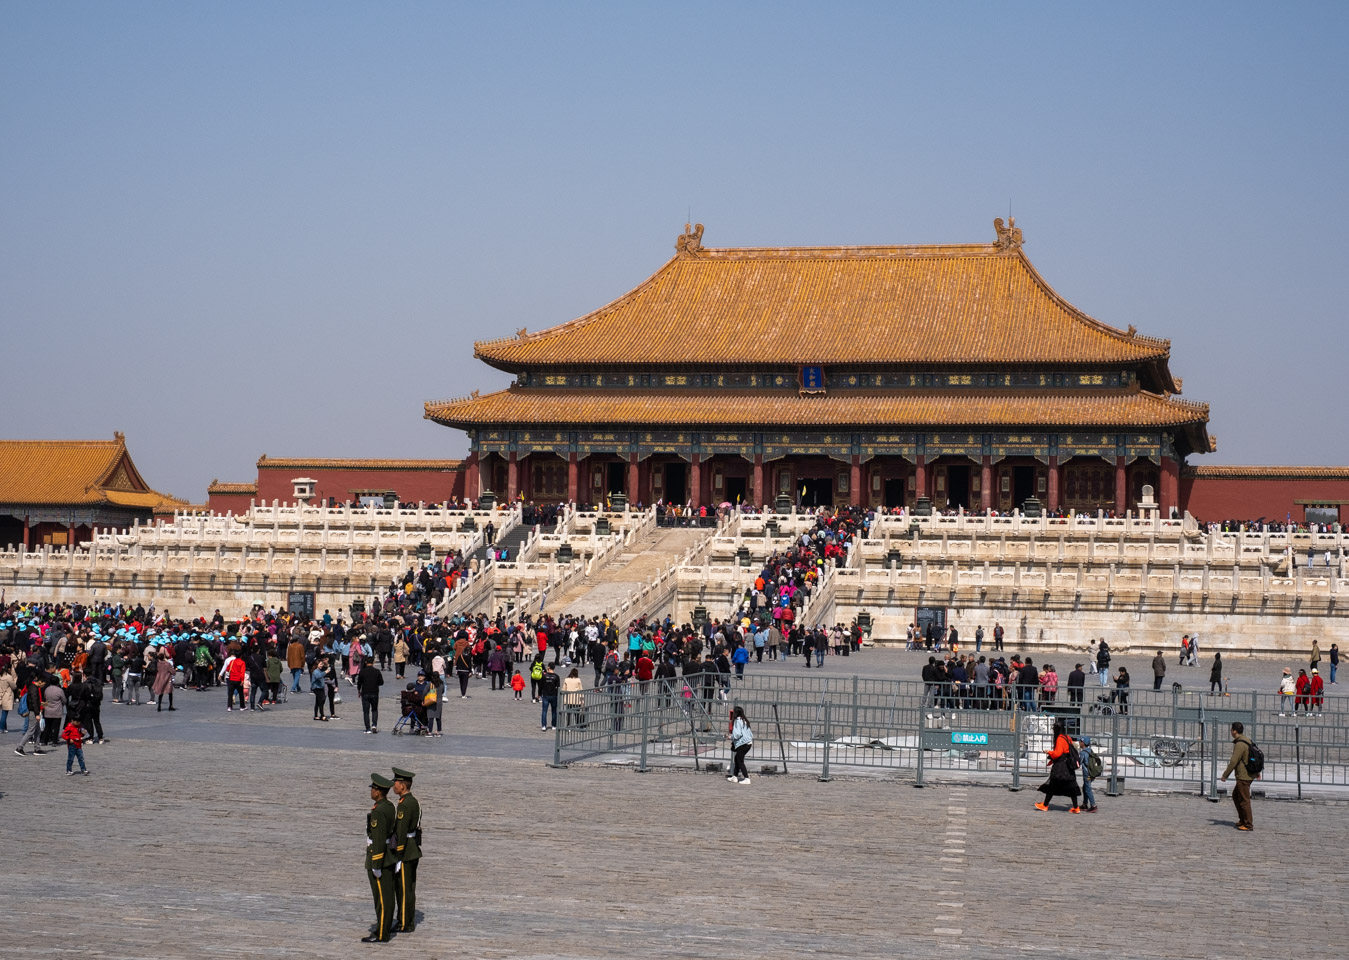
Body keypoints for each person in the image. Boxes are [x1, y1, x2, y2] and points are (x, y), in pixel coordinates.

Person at [363, 773, 398, 942]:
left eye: (373, 789)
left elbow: (377, 839)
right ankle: (385, 928)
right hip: (389, 857)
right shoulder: (390, 806)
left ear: (378, 792)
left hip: (380, 859)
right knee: (388, 896)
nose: (371, 792)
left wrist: (375, 863)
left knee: (382, 899)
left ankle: (381, 933)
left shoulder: (378, 812)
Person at [390, 767, 422, 933]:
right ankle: (407, 919)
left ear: (402, 786)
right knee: (409, 887)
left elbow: (401, 831)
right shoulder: (413, 801)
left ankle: (404, 922)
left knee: (403, 888)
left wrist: (398, 853)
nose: (393, 786)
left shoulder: (404, 805)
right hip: (413, 849)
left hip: (406, 851)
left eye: (395, 783)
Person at [1034, 718, 1081, 813]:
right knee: (1071, 786)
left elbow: (1057, 753)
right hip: (1068, 766)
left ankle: (1045, 805)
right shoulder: (1067, 737)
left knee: (1052, 785)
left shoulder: (1059, 738)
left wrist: (1049, 752)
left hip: (1060, 766)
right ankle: (1076, 808)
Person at [1219, 721, 1255, 831]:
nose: (1230, 731)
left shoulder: (1240, 744)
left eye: (1231, 730)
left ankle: (1248, 824)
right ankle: (1242, 819)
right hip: (1248, 774)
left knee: (1244, 800)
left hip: (1243, 776)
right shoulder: (1247, 740)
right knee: (1235, 795)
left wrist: (1225, 775)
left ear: (1234, 731)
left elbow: (1234, 761)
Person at [728, 704, 754, 784]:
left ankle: (746, 778)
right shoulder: (744, 720)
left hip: (742, 744)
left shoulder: (737, 721)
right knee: (737, 759)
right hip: (748, 742)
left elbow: (737, 734)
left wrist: (730, 737)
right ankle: (734, 777)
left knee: (740, 760)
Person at [358, 657, 383, 734]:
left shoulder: (362, 671)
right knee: (374, 709)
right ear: (373, 662)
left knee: (366, 711)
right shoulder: (377, 671)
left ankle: (368, 728)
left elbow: (359, 683)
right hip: (374, 693)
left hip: (365, 693)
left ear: (366, 662)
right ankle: (374, 725)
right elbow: (381, 682)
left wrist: (359, 691)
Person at [1077, 736, 1098, 813]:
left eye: (1080, 742)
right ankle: (1085, 804)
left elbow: (1079, 763)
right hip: (1092, 773)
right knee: (1085, 787)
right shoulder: (1090, 750)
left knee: (1088, 788)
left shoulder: (1083, 752)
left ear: (1083, 743)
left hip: (1087, 774)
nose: (1079, 743)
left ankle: (1093, 806)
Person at [538, 663, 560, 731]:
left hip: (545, 695)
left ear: (549, 667)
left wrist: (539, 694)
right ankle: (554, 725)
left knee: (544, 711)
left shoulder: (544, 676)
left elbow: (540, 686)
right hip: (554, 695)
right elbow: (558, 687)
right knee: (554, 711)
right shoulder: (556, 676)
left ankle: (544, 725)